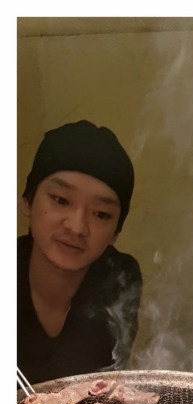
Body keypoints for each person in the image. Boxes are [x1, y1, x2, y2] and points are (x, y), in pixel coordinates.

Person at [18, 120, 142, 385]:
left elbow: (94, 389)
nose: (76, 227)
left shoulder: (118, 278)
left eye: (101, 214)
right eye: (61, 200)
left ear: (115, 232)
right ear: (27, 200)